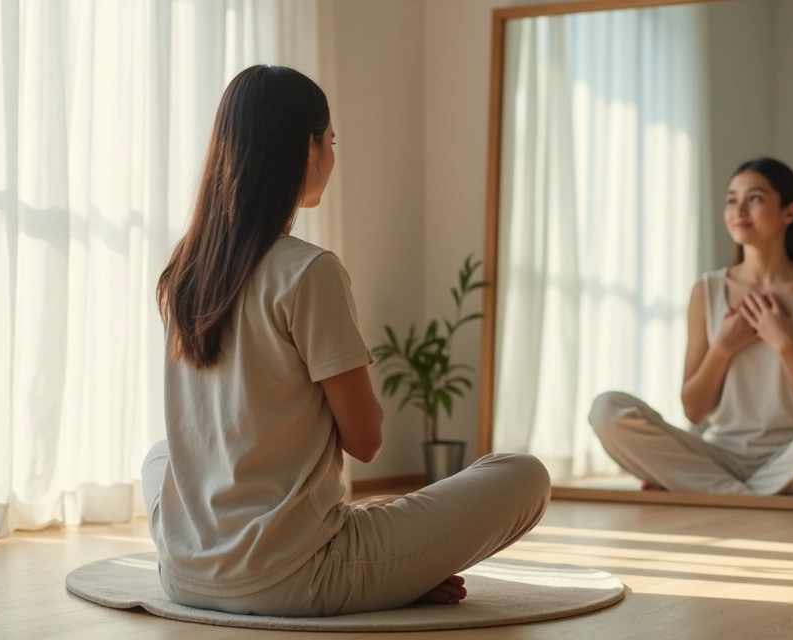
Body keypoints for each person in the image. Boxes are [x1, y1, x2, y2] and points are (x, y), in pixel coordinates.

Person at [141, 65, 549, 618]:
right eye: (330, 141)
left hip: (183, 574)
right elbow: (366, 439)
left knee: (161, 455)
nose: (332, 156)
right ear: (305, 150)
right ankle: (383, 571)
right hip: (295, 575)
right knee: (525, 476)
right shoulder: (310, 271)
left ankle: (381, 567)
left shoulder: (185, 268)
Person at [589, 158, 793, 497]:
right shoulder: (706, 290)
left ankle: (712, 494)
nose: (738, 210)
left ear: (790, 212)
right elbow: (694, 410)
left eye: (753, 198)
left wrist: (784, 344)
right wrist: (722, 348)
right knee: (607, 410)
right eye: (731, 200)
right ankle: (757, 497)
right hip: (719, 456)